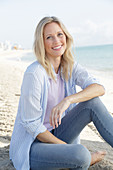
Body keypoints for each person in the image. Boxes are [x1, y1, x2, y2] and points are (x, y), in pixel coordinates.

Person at [9, 16, 113, 170]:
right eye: (49, 37)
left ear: (66, 37)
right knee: (81, 155)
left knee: (93, 103)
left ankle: (72, 156)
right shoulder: (35, 73)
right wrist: (66, 148)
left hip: (58, 132)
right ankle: (81, 158)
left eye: (59, 34)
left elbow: (99, 88)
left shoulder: (69, 66)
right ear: (42, 43)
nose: (56, 41)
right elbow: (32, 126)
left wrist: (68, 100)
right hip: (34, 145)